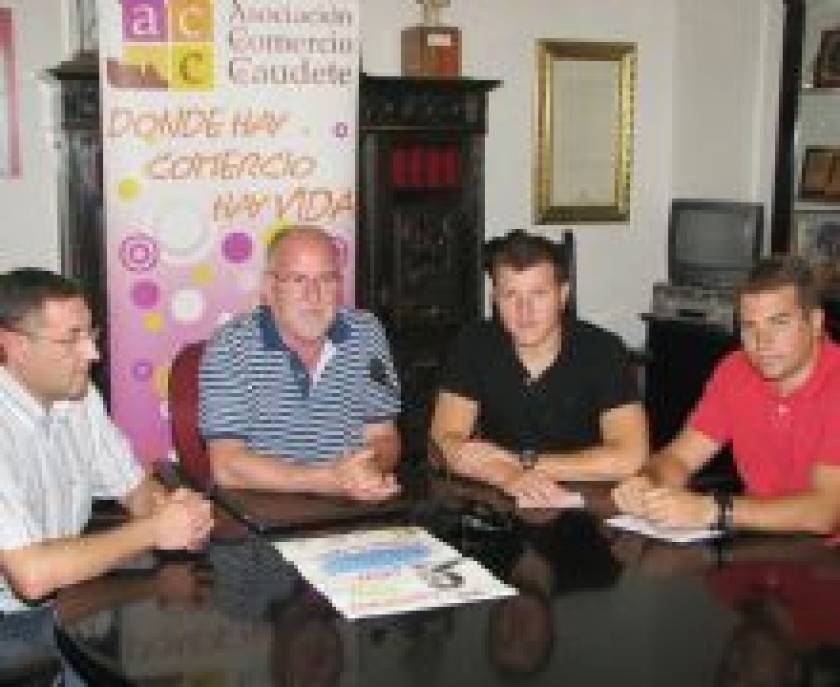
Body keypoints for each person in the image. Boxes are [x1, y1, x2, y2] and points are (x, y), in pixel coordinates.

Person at [0, 269, 213, 672]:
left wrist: (173, 513)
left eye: (90, 334)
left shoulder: (79, 399)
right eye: (71, 339)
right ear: (14, 346)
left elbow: (134, 487)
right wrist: (154, 530)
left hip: (66, 594)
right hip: (12, 617)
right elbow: (30, 576)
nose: (92, 354)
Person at [613, 256, 840, 534]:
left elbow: (826, 512)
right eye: (750, 327)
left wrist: (713, 510)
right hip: (761, 539)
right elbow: (679, 458)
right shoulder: (735, 370)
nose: (762, 343)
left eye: (779, 323)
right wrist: (648, 483)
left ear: (815, 322)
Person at [430, 230, 647, 507]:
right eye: (511, 296)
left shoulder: (603, 350)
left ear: (562, 295)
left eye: (538, 294)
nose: (525, 311)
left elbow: (630, 457)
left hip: (588, 501)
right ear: (495, 299)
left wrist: (523, 463)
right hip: (501, 496)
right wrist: (507, 475)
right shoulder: (474, 344)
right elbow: (443, 442)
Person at [199, 225, 401, 501]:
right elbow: (227, 466)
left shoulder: (367, 333)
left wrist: (368, 469)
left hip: (351, 502)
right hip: (264, 510)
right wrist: (327, 480)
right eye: (298, 280)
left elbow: (383, 436)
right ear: (269, 288)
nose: (313, 295)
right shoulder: (230, 345)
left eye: (326, 279)